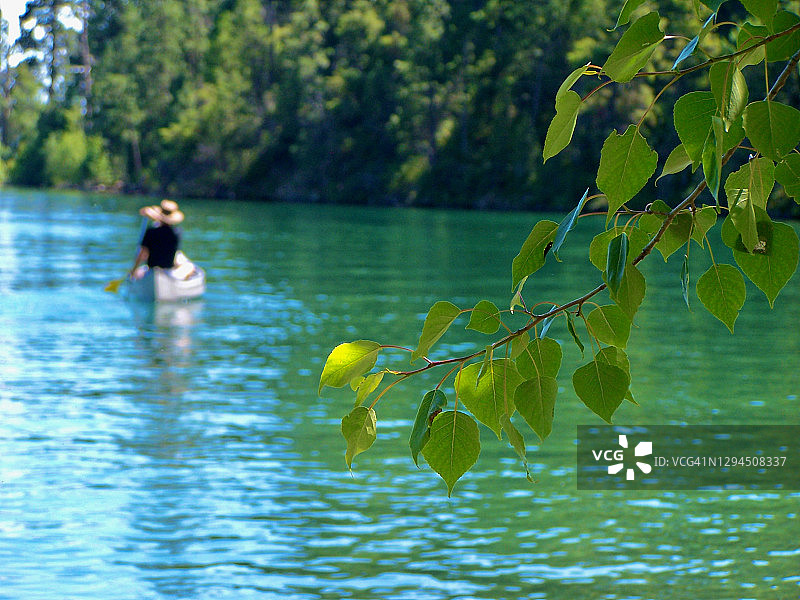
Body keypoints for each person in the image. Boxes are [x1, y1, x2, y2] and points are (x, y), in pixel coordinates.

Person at [130, 199, 184, 279]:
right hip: (168, 270)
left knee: (139, 272)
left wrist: (133, 270)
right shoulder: (177, 232)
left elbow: (142, 254)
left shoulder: (151, 231)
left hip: (152, 269)